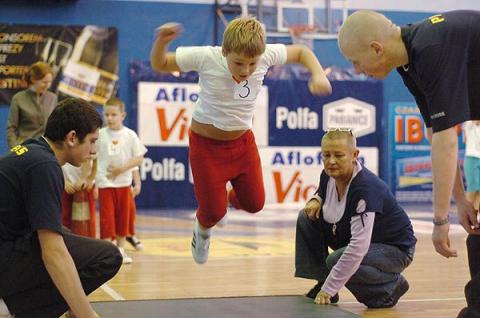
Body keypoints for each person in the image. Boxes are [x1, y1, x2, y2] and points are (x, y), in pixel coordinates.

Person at [150, 16, 332, 264]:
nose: (246, 71)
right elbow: (160, 63)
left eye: (252, 64)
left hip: (242, 143)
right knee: (212, 213)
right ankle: (202, 230)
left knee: (255, 203)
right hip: (206, 146)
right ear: (225, 52)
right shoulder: (207, 57)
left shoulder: (265, 55)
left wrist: (318, 74)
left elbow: (301, 52)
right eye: (238, 63)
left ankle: (221, 199)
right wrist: (161, 41)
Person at [337, 10, 480, 315]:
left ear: (376, 48)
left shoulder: (429, 48)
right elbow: (436, 134)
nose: (357, 70)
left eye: (355, 61)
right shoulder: (409, 61)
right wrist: (459, 201)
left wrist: (441, 221)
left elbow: (446, 138)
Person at [0, 97, 122, 318]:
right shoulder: (45, 166)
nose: (94, 150)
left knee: (63, 233)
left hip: (8, 245)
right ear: (72, 138)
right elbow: (53, 252)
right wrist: (87, 314)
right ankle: (12, 306)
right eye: (92, 141)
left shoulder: (34, 150)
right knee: (108, 257)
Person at [295, 128, 416, 308]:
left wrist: (329, 288)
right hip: (363, 240)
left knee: (336, 260)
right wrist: (315, 199)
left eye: (338, 155)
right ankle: (322, 280)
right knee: (307, 218)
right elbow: (322, 191)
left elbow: (358, 247)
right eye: (326, 155)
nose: (331, 161)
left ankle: (389, 288)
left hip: (395, 250)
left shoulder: (365, 189)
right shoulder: (328, 175)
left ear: (355, 155)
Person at [96, 97, 147, 264]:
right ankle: (105, 252)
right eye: (106, 114)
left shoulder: (130, 135)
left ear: (122, 115)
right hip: (105, 184)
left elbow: (138, 158)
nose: (109, 118)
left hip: (124, 185)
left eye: (113, 114)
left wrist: (132, 178)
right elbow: (92, 158)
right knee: (107, 219)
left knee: (122, 219)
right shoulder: (100, 135)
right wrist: (92, 181)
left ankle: (120, 250)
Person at [6, 61, 58, 148]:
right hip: (25, 147)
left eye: (50, 82)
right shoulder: (18, 98)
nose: (48, 86)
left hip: (46, 149)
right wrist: (15, 149)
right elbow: (11, 128)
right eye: (44, 82)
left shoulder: (53, 98)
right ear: (33, 80)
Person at [61, 158, 97, 237]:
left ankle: (89, 244)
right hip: (67, 185)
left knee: (87, 221)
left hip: (84, 186)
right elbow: (55, 159)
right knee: (65, 218)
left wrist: (88, 178)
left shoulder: (90, 146)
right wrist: (63, 181)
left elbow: (93, 158)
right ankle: (67, 244)